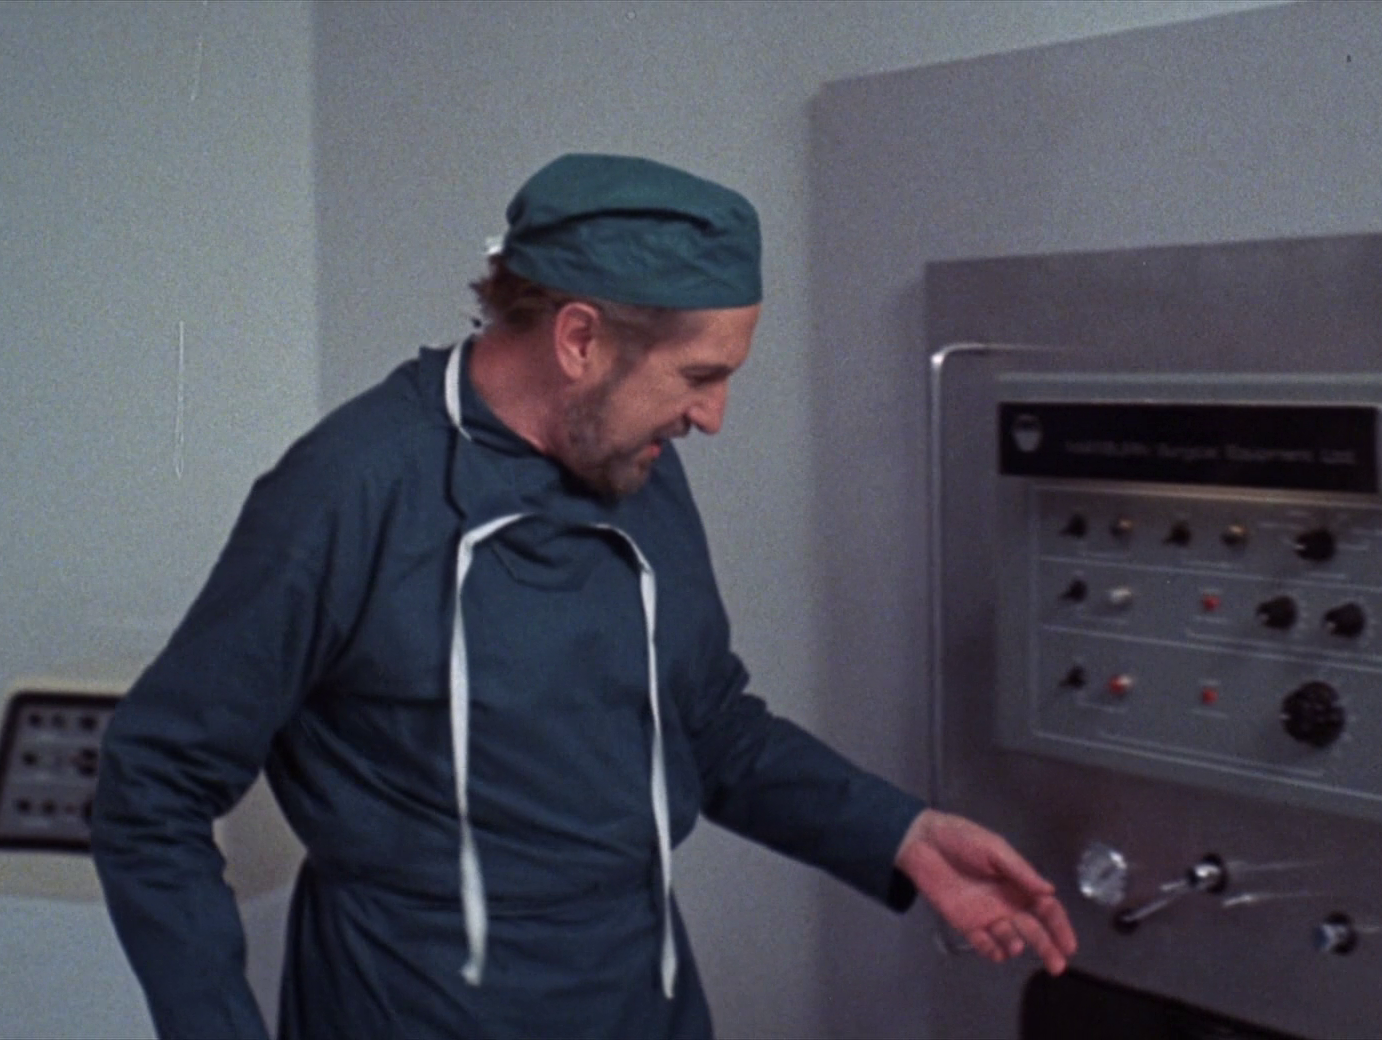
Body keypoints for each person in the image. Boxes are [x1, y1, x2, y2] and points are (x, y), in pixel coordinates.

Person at [93, 153, 1078, 1040]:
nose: (712, 416)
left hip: (640, 999)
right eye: (698, 375)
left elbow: (706, 724)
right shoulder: (349, 490)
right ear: (578, 339)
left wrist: (898, 834)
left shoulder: (633, 461)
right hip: (413, 1005)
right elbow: (153, 783)